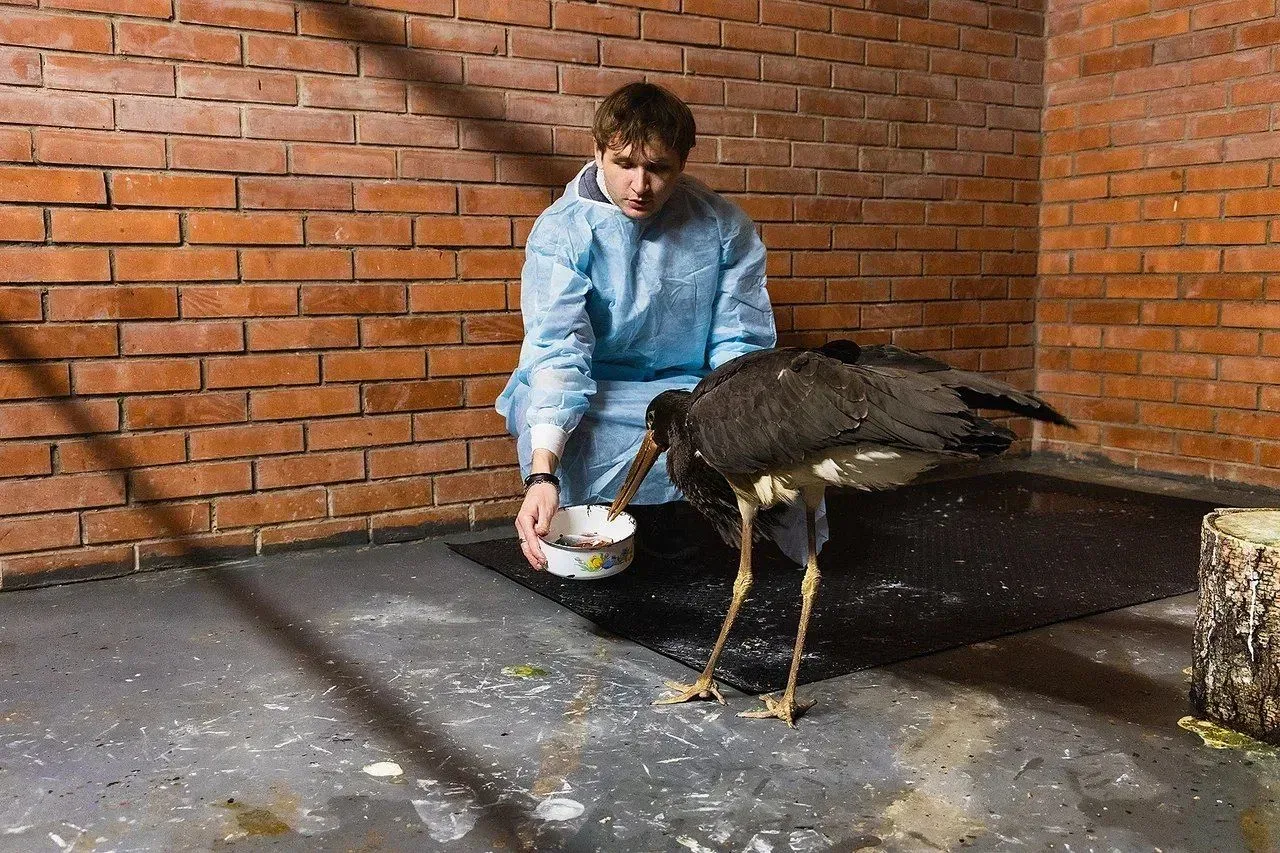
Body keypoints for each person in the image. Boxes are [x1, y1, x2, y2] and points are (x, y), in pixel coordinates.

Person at [495, 82, 828, 571]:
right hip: (596, 391)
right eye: (624, 164)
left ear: (683, 162)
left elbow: (739, 343)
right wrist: (542, 477)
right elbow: (557, 350)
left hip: (691, 389)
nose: (640, 185)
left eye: (658, 168)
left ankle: (700, 526)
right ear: (597, 152)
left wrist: (742, 417)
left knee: (767, 420)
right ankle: (597, 525)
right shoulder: (563, 230)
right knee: (549, 414)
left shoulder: (721, 225)